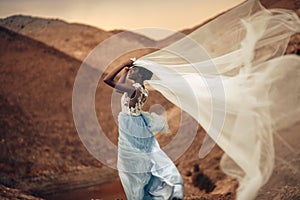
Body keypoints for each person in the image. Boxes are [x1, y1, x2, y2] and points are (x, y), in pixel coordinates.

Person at [103, 58, 184, 200]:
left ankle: (140, 195)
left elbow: (108, 80)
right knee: (139, 160)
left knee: (131, 162)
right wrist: (125, 71)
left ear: (141, 75)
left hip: (131, 126)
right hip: (134, 123)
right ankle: (146, 193)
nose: (131, 71)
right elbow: (118, 89)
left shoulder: (134, 88)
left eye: (134, 69)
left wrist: (123, 64)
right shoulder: (140, 89)